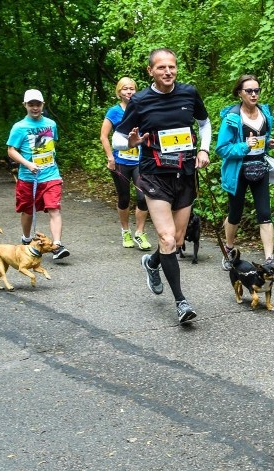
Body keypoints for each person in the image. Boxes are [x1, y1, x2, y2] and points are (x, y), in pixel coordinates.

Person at [112, 48, 211, 324]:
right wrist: (130, 143)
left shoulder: (189, 93)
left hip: (185, 172)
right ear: (150, 71)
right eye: (161, 68)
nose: (168, 72)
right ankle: (181, 302)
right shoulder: (141, 101)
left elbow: (204, 124)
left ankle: (152, 263)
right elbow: (120, 138)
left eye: (172, 67)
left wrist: (204, 150)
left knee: (177, 240)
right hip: (154, 175)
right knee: (166, 238)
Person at [215, 74, 274, 272]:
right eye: (249, 91)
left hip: (260, 168)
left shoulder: (265, 113)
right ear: (239, 93)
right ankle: (229, 249)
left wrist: (268, 143)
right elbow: (222, 149)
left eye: (257, 90)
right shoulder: (232, 118)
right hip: (238, 172)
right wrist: (244, 146)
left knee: (265, 214)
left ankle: (269, 260)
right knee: (235, 214)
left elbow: (262, 139)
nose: (254, 94)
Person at [6, 89, 70, 259]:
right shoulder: (19, 127)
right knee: (28, 211)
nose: (35, 107)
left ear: (43, 105)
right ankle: (26, 239)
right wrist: (27, 164)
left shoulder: (51, 124)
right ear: (25, 105)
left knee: (54, 209)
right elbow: (11, 151)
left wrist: (55, 170)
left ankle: (57, 245)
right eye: (31, 104)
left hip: (51, 175)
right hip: (28, 177)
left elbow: (50, 149)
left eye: (38, 104)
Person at [100, 77, 153, 250]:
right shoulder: (114, 111)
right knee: (124, 197)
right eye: (125, 89)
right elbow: (104, 136)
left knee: (142, 196)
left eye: (132, 88)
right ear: (119, 92)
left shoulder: (141, 109)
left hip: (139, 161)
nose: (129, 91)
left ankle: (139, 233)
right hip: (120, 161)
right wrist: (110, 157)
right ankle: (125, 231)